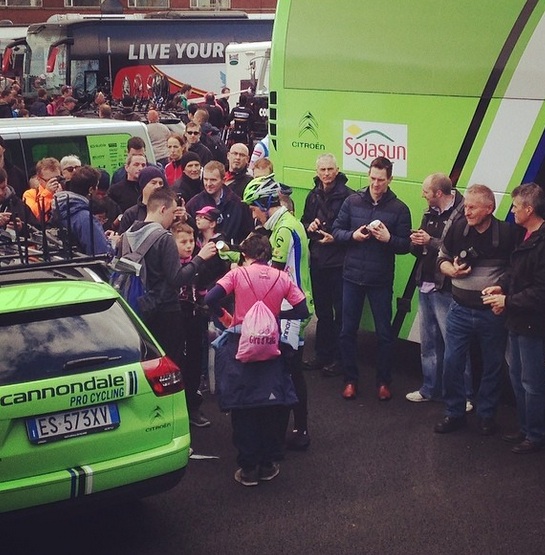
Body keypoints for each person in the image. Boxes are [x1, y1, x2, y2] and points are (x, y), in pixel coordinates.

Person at [204, 233, 309, 486]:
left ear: (245, 255)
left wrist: (225, 316)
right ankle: (268, 463)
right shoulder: (281, 277)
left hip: (241, 345)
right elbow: (303, 310)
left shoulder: (237, 274)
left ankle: (248, 467)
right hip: (271, 346)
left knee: (243, 405)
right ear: (269, 255)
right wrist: (276, 318)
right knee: (269, 404)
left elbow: (210, 298)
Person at [434, 184, 521, 435]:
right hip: (459, 310)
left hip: (491, 313)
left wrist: (501, 287)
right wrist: (450, 270)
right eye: (466, 207)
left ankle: (486, 416)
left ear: (489, 209)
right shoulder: (458, 228)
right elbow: (441, 258)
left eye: (472, 207)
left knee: (492, 365)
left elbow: (515, 269)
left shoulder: (506, 233)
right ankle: (454, 413)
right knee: (452, 362)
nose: (467, 212)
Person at [242, 175, 314, 450]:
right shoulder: (288, 222)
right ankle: (296, 428)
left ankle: (296, 431)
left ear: (264, 203)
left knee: (289, 372)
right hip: (296, 303)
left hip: (290, 309)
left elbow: (272, 275)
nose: (253, 214)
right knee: (291, 371)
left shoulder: (283, 230)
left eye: (254, 208)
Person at [332, 156, 411, 401]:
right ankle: (350, 380)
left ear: (390, 179)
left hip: (380, 280)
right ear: (368, 176)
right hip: (352, 277)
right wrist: (353, 236)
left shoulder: (399, 208)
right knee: (347, 331)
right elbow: (336, 231)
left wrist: (389, 239)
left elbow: (406, 246)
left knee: (385, 334)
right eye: (373, 178)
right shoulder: (352, 201)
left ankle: (383, 382)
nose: (376, 184)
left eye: (381, 180)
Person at [482, 183, 545, 453]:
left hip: (534, 326)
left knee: (532, 382)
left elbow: (540, 292)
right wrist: (501, 287)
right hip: (518, 321)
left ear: (529, 209)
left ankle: (536, 435)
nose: (512, 210)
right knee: (518, 377)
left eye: (516, 206)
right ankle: (525, 428)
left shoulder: (541, 243)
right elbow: (515, 271)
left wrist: (507, 301)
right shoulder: (525, 235)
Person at [123, 188, 217, 370]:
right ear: (162, 209)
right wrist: (200, 258)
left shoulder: (128, 235)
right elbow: (177, 278)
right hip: (166, 310)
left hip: (138, 307)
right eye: (173, 212)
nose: (174, 218)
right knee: (170, 363)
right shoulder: (164, 238)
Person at [406, 173, 474, 408]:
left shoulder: (463, 214)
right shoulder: (429, 212)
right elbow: (417, 250)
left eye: (425, 191)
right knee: (429, 343)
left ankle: (465, 396)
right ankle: (429, 389)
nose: (422, 195)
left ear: (438, 193)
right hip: (425, 283)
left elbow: (461, 250)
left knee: (455, 344)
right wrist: (416, 242)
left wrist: (430, 241)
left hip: (446, 288)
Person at [301, 153, 352, 376]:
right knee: (322, 313)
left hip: (340, 263)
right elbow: (303, 222)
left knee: (341, 314)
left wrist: (336, 238)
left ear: (337, 170)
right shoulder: (312, 195)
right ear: (317, 172)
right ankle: (322, 355)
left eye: (330, 169)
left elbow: (354, 231)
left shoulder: (349, 197)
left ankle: (340, 360)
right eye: (322, 170)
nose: (327, 173)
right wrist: (309, 226)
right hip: (318, 260)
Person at [171, 221, 212, 428]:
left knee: (195, 360)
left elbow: (203, 289)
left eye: (191, 241)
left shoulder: (199, 264)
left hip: (195, 316)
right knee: (177, 361)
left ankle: (193, 406)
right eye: (183, 242)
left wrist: (207, 307)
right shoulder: (172, 265)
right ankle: (176, 407)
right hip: (176, 318)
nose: (189, 246)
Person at [186, 160, 253, 244]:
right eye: (205, 179)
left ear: (223, 180)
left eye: (213, 180)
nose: (208, 184)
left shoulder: (238, 204)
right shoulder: (194, 204)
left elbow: (247, 233)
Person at [52, 165, 111, 256]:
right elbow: (102, 253)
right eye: (96, 186)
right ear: (91, 189)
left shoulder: (60, 208)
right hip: (87, 264)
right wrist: (113, 243)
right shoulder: (85, 218)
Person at [118, 166, 167, 234]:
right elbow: (123, 238)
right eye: (153, 183)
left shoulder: (167, 209)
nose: (158, 186)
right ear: (143, 185)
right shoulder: (131, 214)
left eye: (160, 183)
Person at [23, 158, 63, 223]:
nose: (55, 183)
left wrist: (62, 196)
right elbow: (33, 216)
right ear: (39, 179)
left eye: (57, 178)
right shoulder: (30, 194)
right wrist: (48, 193)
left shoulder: (66, 189)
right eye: (50, 180)